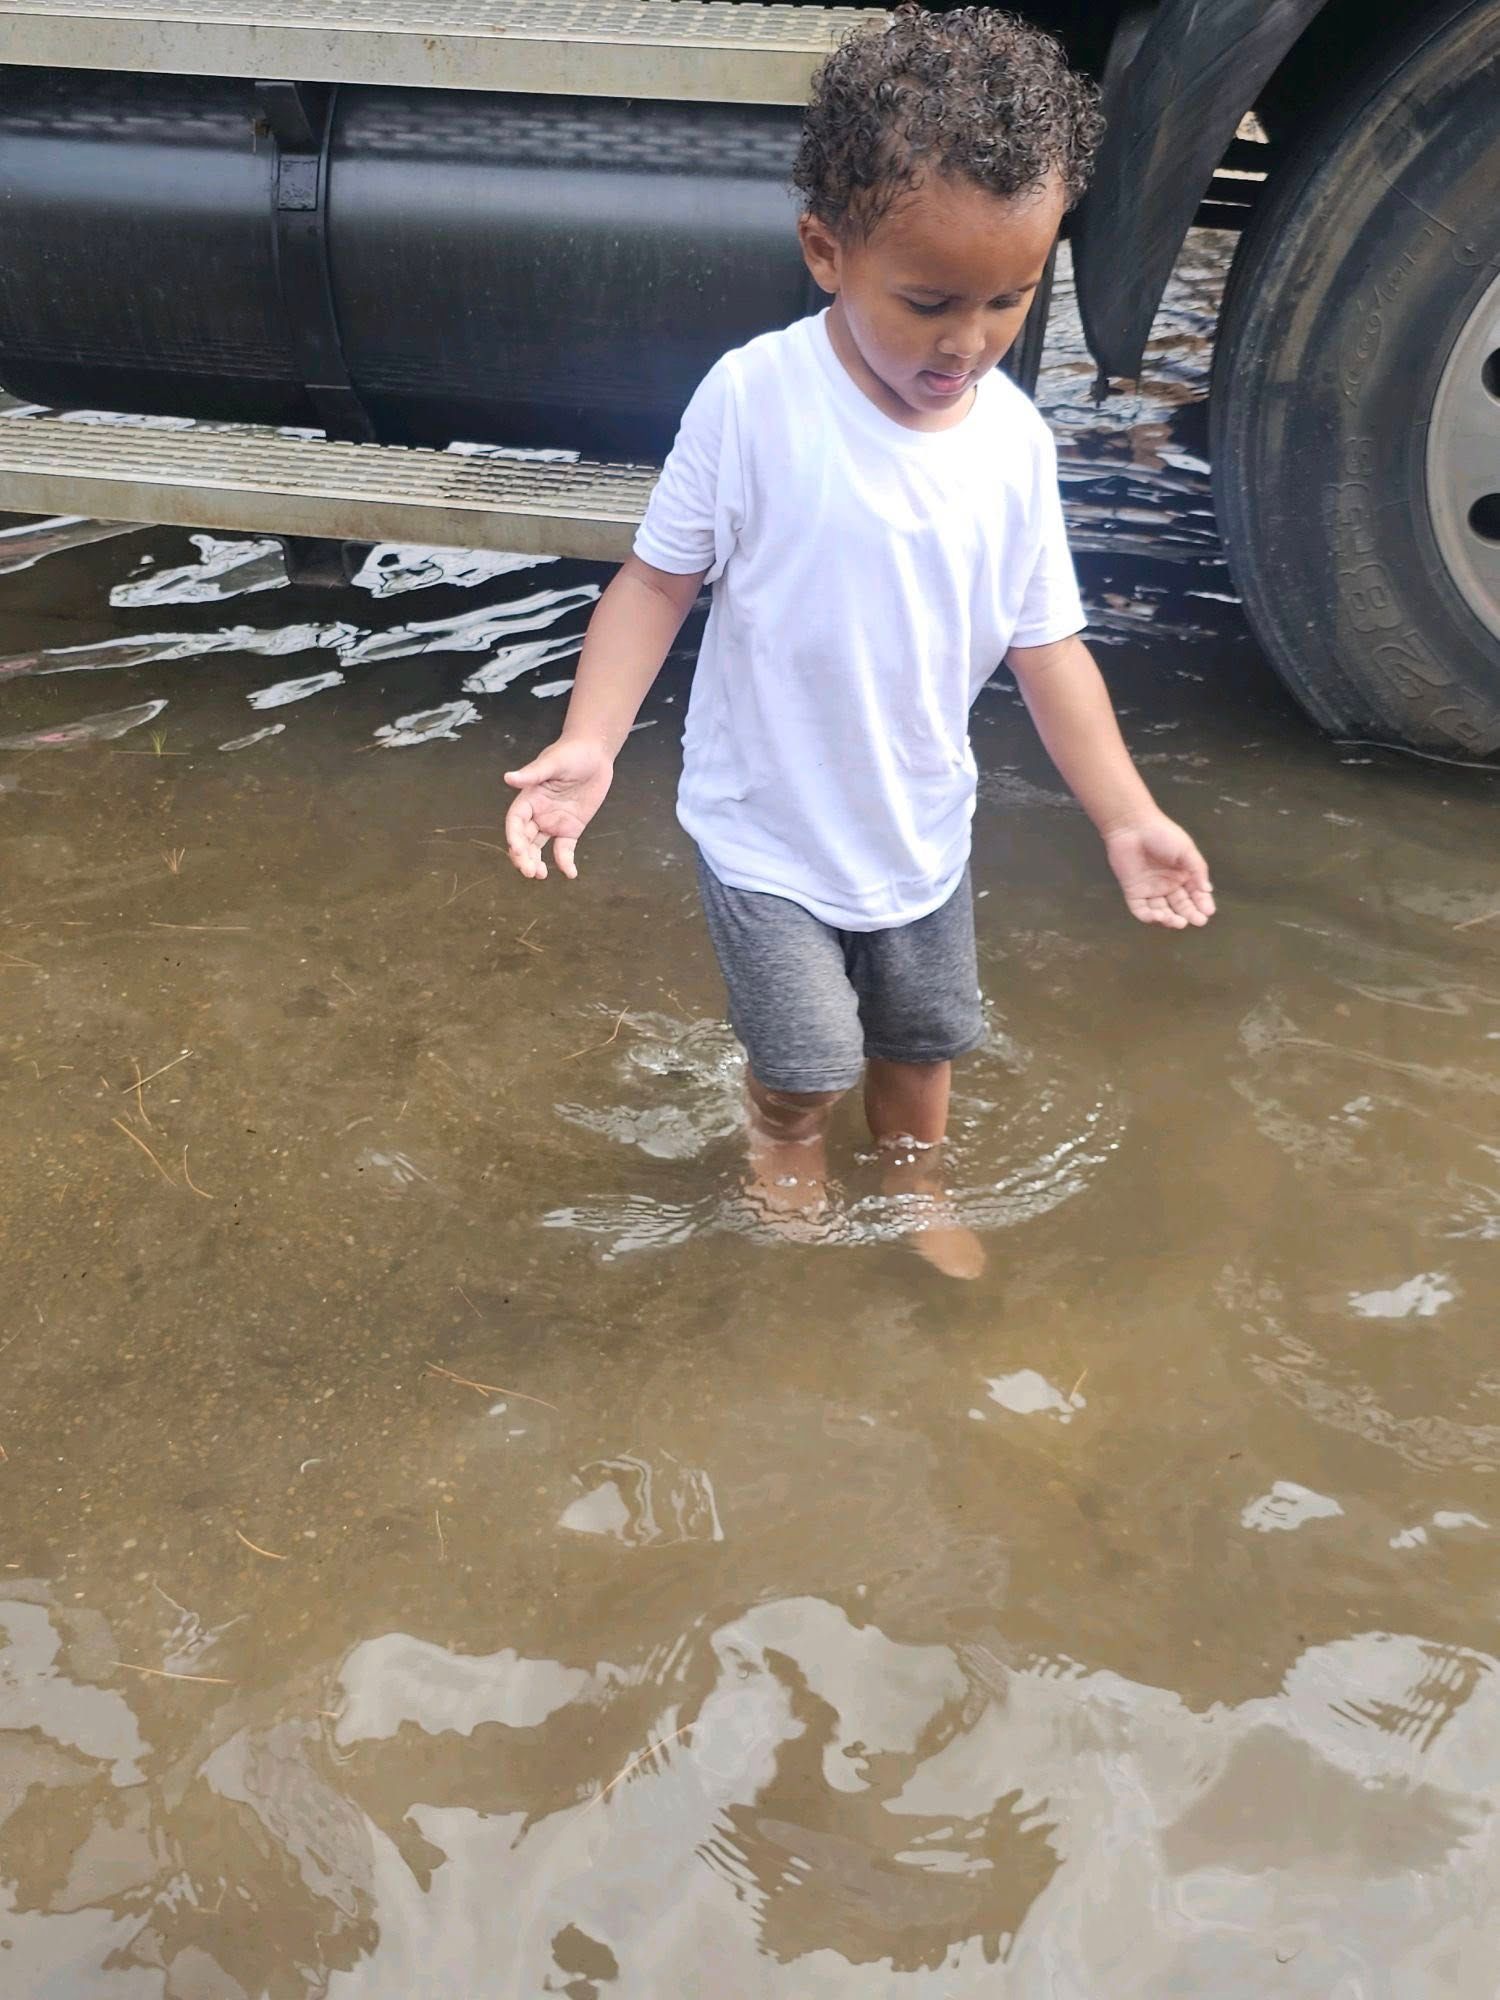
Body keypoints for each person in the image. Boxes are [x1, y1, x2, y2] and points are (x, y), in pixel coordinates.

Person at [505, 5, 1215, 1277]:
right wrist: (588, 742)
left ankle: (918, 1180)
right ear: (827, 251)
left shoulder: (1014, 446)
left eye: (1009, 298)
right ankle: (782, 1143)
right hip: (765, 828)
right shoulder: (756, 397)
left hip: (917, 829)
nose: (971, 343)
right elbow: (658, 583)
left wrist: (1125, 816)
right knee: (805, 1060)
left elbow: (1048, 651)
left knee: (926, 1045)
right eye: (932, 300)